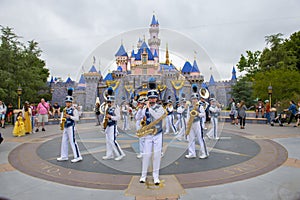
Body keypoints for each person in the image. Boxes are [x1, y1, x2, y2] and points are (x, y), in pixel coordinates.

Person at [136, 83, 165, 185]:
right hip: (148, 134)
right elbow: (137, 118)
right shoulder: (145, 108)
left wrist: (149, 108)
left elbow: (157, 116)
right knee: (146, 155)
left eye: (154, 98)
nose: (152, 100)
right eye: (150, 98)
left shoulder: (160, 108)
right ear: (148, 98)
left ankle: (155, 176)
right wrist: (140, 108)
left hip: (157, 134)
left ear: (156, 99)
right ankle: (143, 176)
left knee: (157, 156)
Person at [57, 88, 83, 163]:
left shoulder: (74, 110)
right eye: (66, 102)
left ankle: (78, 156)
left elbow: (77, 118)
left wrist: (70, 117)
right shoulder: (64, 109)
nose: (67, 103)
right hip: (65, 126)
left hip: (71, 126)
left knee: (73, 141)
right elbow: (62, 116)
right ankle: (64, 156)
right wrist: (61, 121)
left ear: (71, 102)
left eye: (69, 102)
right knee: (64, 141)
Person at [185, 85, 209, 159]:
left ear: (197, 99)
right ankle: (192, 153)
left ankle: (203, 153)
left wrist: (198, 114)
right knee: (191, 138)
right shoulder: (190, 107)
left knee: (200, 138)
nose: (194, 100)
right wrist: (187, 123)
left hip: (197, 123)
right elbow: (188, 115)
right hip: (191, 124)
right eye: (193, 99)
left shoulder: (200, 106)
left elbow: (203, 114)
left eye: (195, 99)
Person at [102, 87, 125, 161]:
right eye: (108, 102)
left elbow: (118, 117)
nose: (108, 103)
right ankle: (109, 154)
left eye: (110, 102)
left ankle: (120, 154)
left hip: (113, 125)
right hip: (108, 125)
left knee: (112, 140)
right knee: (108, 141)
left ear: (112, 101)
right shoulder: (107, 108)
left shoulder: (116, 107)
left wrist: (111, 117)